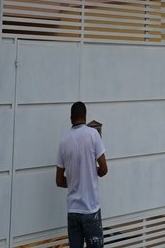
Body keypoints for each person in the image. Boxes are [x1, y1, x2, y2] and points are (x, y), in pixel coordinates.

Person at [56, 101, 108, 248]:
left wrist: (74, 180)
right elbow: (104, 169)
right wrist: (91, 173)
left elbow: (59, 180)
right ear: (85, 117)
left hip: (73, 211)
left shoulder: (63, 141)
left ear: (71, 118)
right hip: (91, 210)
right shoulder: (93, 135)